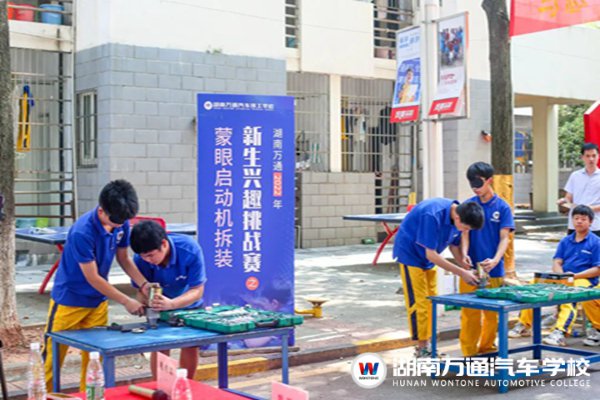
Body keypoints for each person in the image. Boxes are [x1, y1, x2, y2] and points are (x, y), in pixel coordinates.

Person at [42, 180, 147, 392]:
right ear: (101, 211)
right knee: (51, 361)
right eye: (115, 221)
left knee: (94, 361)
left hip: (98, 302)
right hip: (69, 301)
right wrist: (126, 300)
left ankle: (90, 396)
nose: (119, 225)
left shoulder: (121, 222)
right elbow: (93, 277)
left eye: (123, 221)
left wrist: (144, 284)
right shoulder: (82, 232)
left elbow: (124, 258)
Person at [393, 198, 483, 357]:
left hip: (429, 260)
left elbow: (454, 245)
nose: (465, 231)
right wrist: (462, 272)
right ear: (458, 218)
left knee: (431, 301)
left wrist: (463, 262)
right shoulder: (432, 215)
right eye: (465, 228)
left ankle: (429, 346)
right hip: (410, 256)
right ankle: (422, 349)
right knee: (419, 303)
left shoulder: (458, 214)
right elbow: (431, 254)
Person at [509, 205, 600, 346]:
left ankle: (560, 332)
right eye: (576, 218)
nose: (579, 221)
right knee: (533, 286)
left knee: (570, 294)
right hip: (563, 277)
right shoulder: (565, 241)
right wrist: (561, 275)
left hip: (584, 280)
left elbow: (597, 269)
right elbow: (557, 262)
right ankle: (524, 324)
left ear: (590, 222)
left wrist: (574, 276)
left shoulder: (596, 242)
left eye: (583, 219)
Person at [130, 220, 207, 379]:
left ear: (164, 244)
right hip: (158, 307)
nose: (148, 260)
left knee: (190, 345)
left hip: (188, 304)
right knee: (160, 346)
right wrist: (144, 301)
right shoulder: (140, 260)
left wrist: (171, 304)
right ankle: (160, 386)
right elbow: (140, 292)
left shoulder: (189, 250)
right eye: (143, 257)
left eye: (151, 255)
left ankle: (186, 385)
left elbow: (197, 290)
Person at [459, 162, 515, 356]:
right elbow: (464, 233)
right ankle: (468, 353)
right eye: (471, 183)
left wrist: (496, 260)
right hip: (471, 270)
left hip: (494, 270)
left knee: (492, 315)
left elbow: (504, 238)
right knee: (469, 313)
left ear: (489, 180)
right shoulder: (468, 205)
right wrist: (464, 254)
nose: (475, 187)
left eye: (478, 182)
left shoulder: (502, 207)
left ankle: (487, 349)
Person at [557, 143, 600, 236]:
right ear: (582, 157)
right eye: (587, 156)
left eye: (594, 155)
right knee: (572, 246)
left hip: (595, 225)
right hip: (575, 225)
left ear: (598, 156)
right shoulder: (575, 176)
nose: (591, 159)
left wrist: (590, 209)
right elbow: (568, 197)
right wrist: (564, 201)